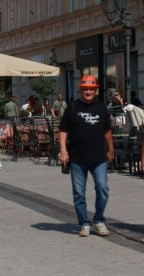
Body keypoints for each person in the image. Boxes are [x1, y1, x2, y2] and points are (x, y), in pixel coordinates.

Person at [59, 75, 114, 237]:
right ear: (80, 90)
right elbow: (63, 131)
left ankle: (99, 220)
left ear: (95, 90)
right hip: (77, 158)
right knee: (78, 193)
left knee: (103, 189)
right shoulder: (72, 107)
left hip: (99, 158)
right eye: (85, 89)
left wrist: (111, 150)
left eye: (91, 89)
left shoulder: (101, 107)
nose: (88, 91)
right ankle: (84, 223)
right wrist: (63, 151)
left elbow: (107, 131)